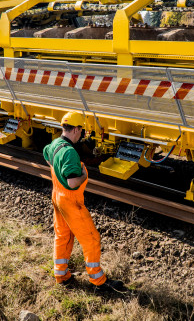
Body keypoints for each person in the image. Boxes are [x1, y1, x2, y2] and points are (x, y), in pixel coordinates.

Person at [43, 112, 125, 292]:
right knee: (91, 238)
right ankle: (98, 281)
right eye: (81, 130)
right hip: (70, 201)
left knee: (63, 235)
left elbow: (46, 156)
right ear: (76, 129)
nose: (82, 134)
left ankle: (61, 275)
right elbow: (73, 182)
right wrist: (84, 175)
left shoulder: (55, 144)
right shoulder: (70, 152)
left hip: (57, 197)